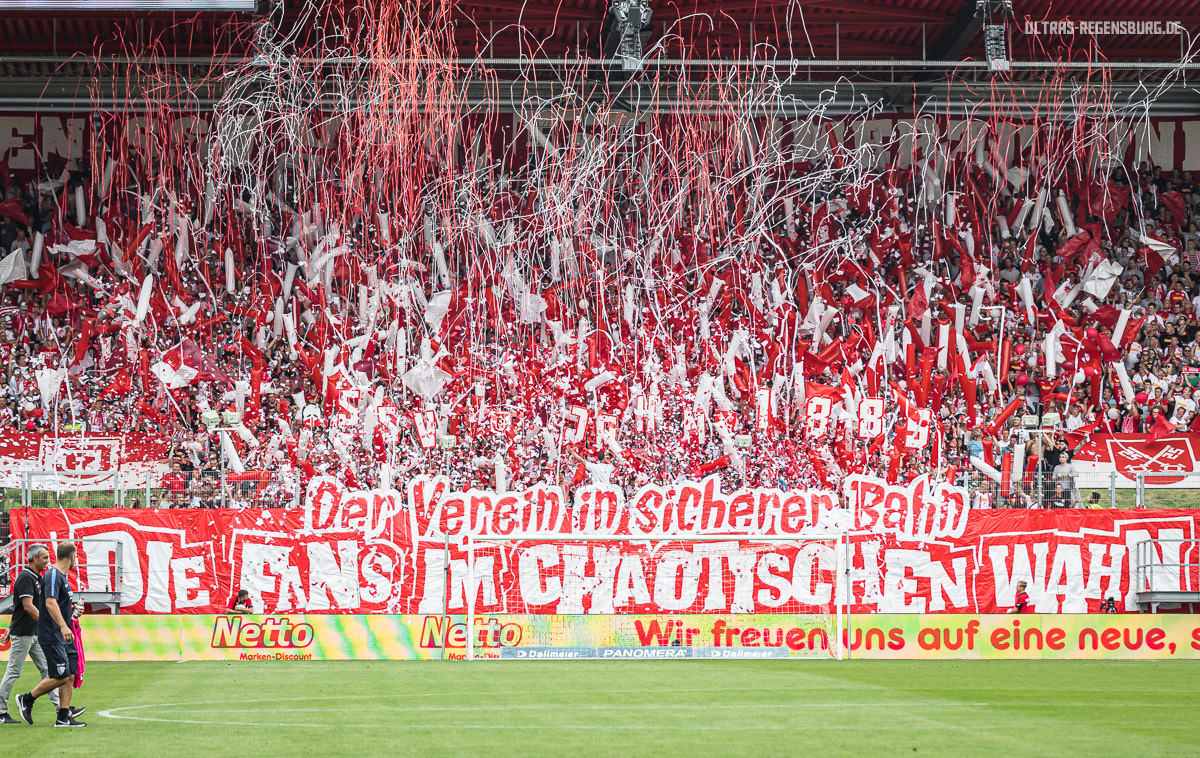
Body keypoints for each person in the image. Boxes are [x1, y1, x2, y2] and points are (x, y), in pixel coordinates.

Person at [15, 543, 85, 728]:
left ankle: (63, 717)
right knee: (61, 675)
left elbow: (60, 605)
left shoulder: (62, 576)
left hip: (64, 632)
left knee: (70, 674)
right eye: (76, 556)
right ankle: (27, 699)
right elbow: (50, 603)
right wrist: (63, 626)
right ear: (70, 557)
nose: (77, 560)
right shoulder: (53, 574)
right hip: (53, 633)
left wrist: (74, 612)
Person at [0, 546, 67, 724]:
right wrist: (49, 623)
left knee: (49, 670)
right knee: (14, 671)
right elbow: (28, 606)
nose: (47, 561)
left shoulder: (36, 577)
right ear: (34, 558)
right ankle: (0, 710)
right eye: (44, 558)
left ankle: (61, 708)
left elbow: (19, 608)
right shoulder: (25, 577)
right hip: (24, 633)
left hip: (33, 632)